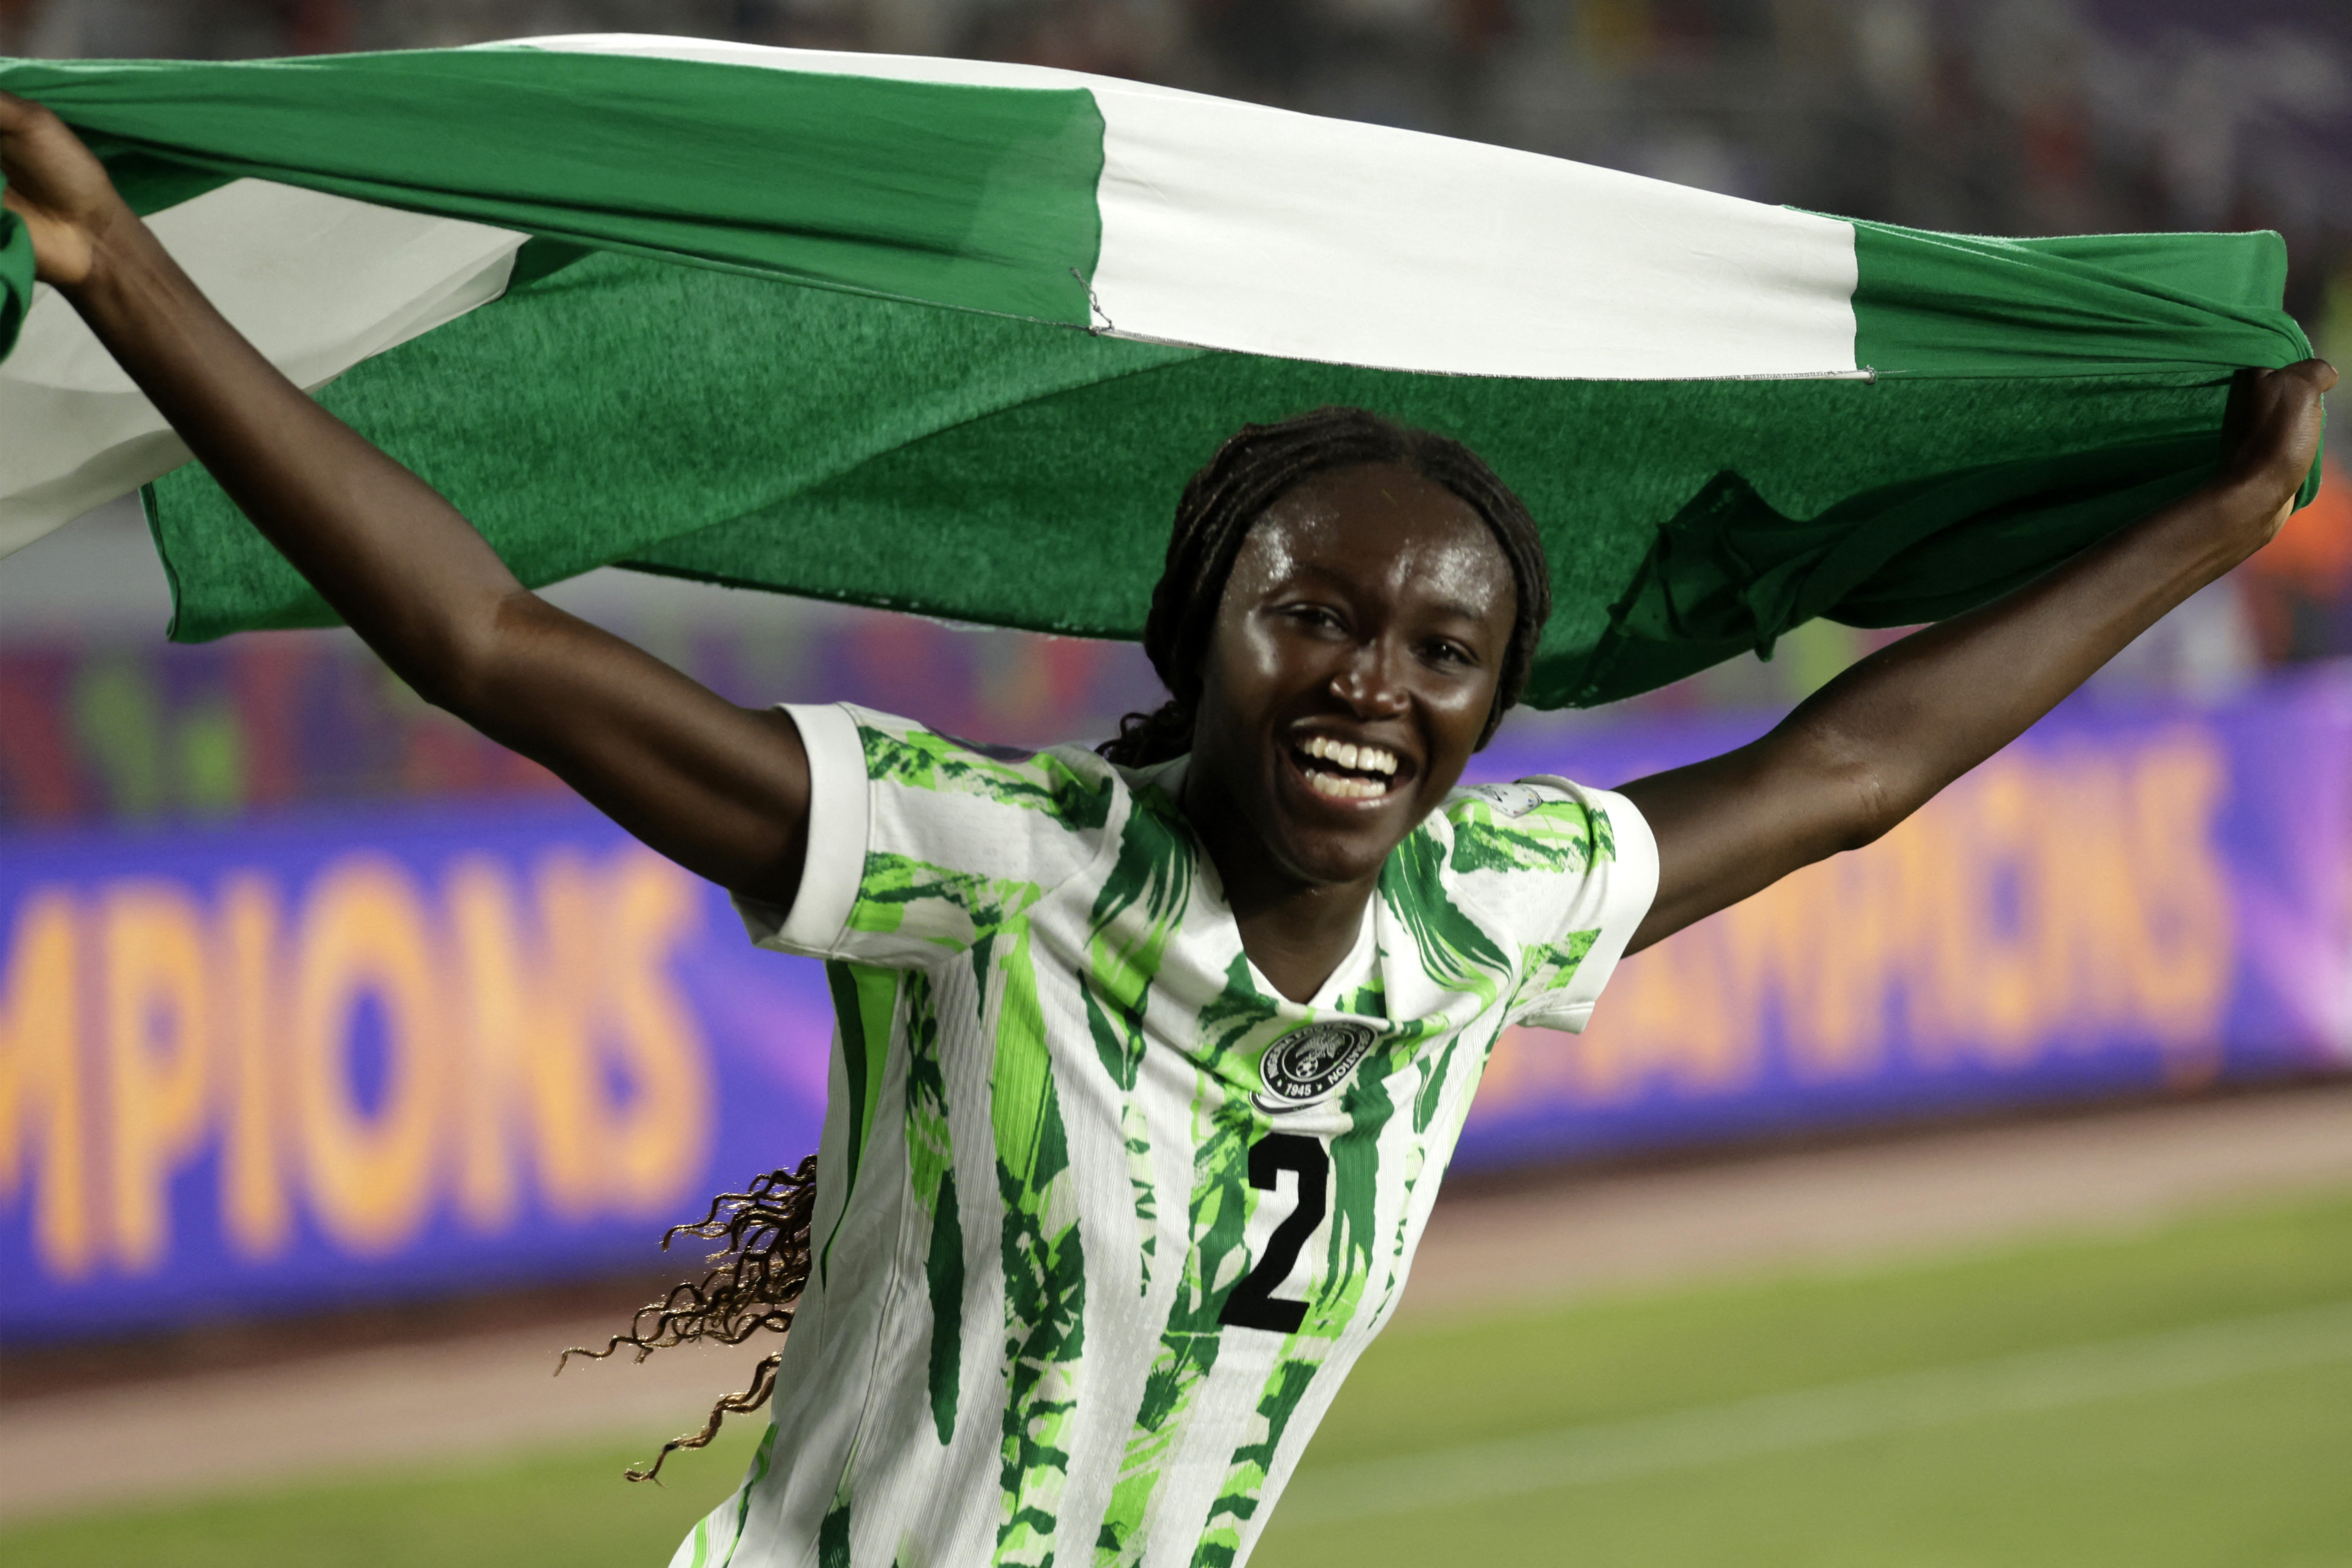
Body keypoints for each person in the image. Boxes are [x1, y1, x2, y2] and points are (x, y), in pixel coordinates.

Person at [1, 89, 2332, 1568]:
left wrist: (2215, 524)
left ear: (1492, 707)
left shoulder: (1482, 919)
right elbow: (496, 642)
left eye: (1440, 655)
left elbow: (1850, 770)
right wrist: (131, 279)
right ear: (1196, 625)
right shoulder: (993, 867)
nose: (1367, 686)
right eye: (1308, 619)